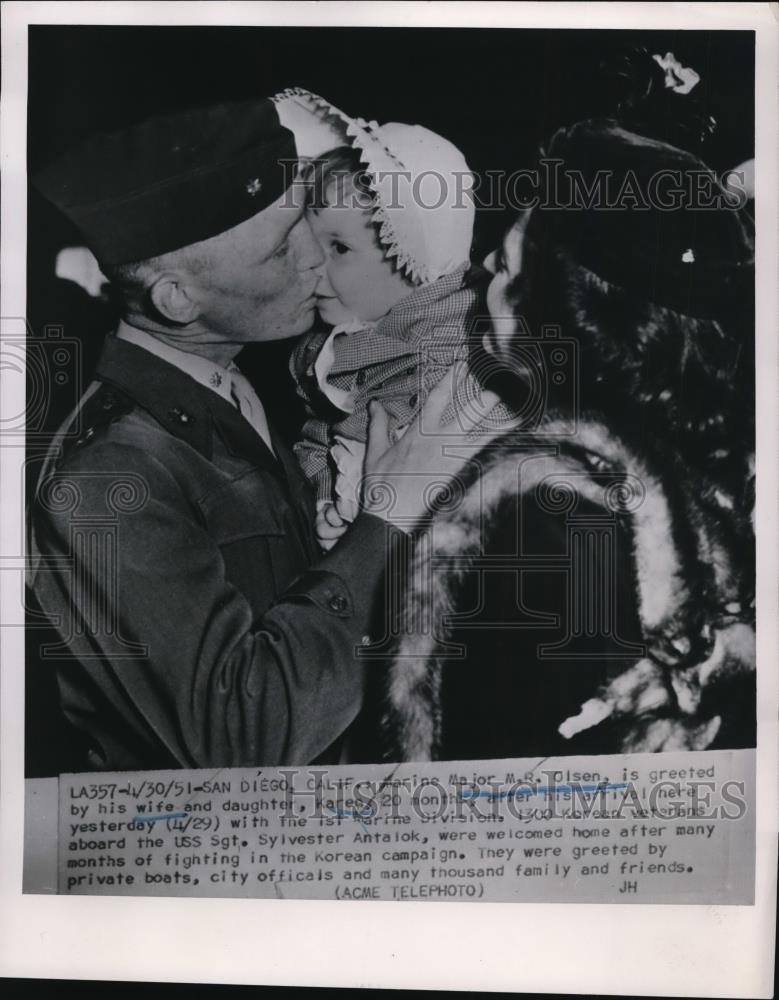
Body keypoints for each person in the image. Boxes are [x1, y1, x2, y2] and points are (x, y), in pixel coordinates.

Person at [28, 96, 507, 772]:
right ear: (177, 300)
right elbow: (243, 736)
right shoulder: (108, 481)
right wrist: (389, 511)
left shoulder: (237, 382)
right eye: (283, 247)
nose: (317, 258)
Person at [376, 114, 756, 762]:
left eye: (503, 266)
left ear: (557, 311)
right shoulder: (716, 470)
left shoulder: (536, 514)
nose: (485, 277)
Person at [272, 89, 501, 550]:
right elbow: (319, 437)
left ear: (417, 258)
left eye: (339, 248)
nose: (312, 263)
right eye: (307, 239)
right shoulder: (334, 347)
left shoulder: (454, 359)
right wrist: (325, 501)